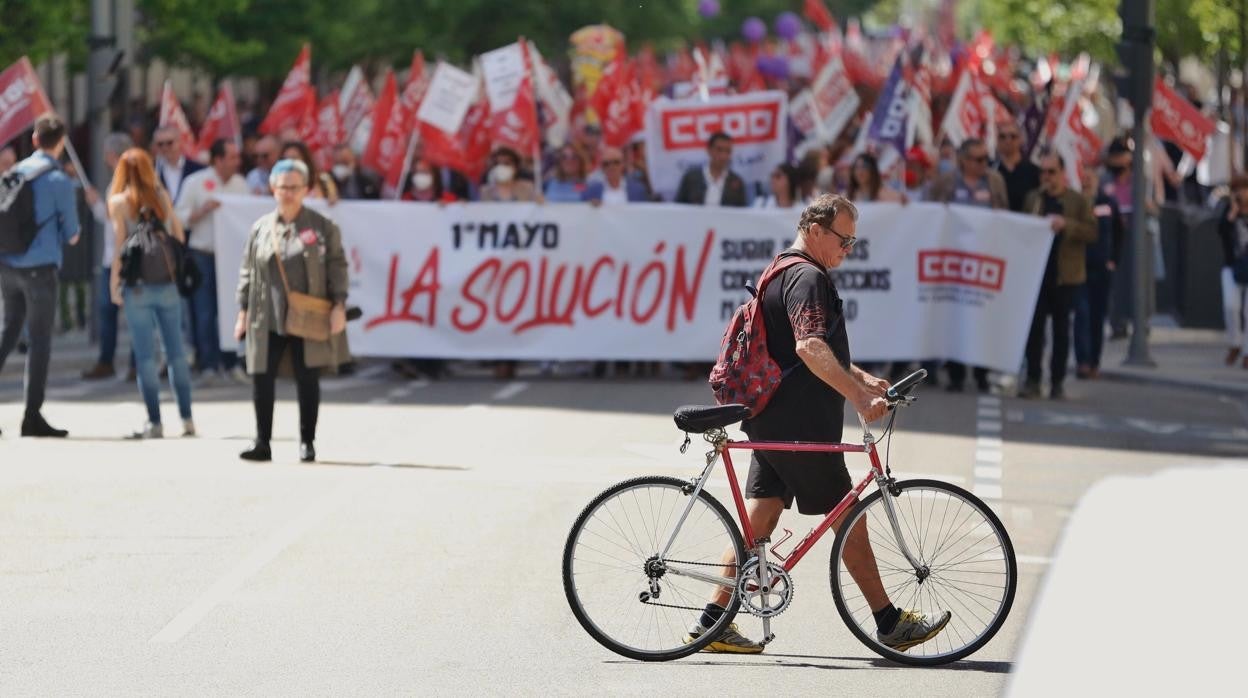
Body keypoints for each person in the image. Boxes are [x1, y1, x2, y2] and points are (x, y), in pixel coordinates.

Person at [686, 194, 950, 654]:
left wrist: (863, 379)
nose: (848, 249)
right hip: (798, 424)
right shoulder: (807, 276)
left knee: (762, 516)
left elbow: (805, 348)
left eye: (853, 241)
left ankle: (712, 622)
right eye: (843, 239)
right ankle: (888, 621)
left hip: (773, 418)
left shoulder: (782, 269)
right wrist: (858, 398)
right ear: (815, 228)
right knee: (847, 514)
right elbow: (809, 349)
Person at [234, 159, 350, 463]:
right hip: (266, 314)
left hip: (307, 314)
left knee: (307, 375)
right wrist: (243, 309)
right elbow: (247, 269)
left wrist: (339, 304)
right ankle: (262, 442)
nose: (287, 193)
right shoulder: (261, 228)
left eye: (293, 188)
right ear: (273, 189)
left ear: (306, 190)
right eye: (282, 187)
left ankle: (307, 442)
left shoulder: (322, 226)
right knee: (261, 374)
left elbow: (337, 265)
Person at [0, 116, 80, 438]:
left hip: (7, 266)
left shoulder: (14, 173)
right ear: (60, 143)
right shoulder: (58, 180)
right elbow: (73, 233)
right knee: (40, 341)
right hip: (40, 269)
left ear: (34, 139)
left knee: (7, 335)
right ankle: (32, 416)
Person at [107, 147, 195, 438]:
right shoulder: (162, 198)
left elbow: (120, 246)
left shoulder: (118, 202)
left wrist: (114, 284)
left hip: (138, 287)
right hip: (167, 284)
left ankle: (155, 422)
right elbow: (179, 237)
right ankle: (187, 419)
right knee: (176, 353)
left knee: (145, 357)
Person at [926, 138, 1008, 392]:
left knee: (981, 317)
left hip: (983, 260)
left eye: (986, 159)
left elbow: (1003, 214)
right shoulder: (946, 182)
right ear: (964, 160)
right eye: (978, 159)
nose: (984, 164)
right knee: (955, 318)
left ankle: (982, 373)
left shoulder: (994, 182)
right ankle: (956, 374)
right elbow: (930, 213)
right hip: (954, 262)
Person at [1020, 152, 1097, 400]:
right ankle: (1033, 379)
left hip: (1065, 276)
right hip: (1036, 277)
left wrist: (1067, 225)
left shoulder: (1077, 201)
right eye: (1043, 172)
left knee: (1062, 331)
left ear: (1063, 173)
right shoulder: (1034, 199)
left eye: (1052, 172)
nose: (1047, 177)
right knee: (1035, 332)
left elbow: (1092, 232)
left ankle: (1057, 382)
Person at [175, 138, 248, 382]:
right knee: (204, 312)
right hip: (202, 255)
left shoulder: (240, 184)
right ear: (218, 160)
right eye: (232, 157)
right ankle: (208, 364)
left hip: (231, 258)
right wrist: (202, 211)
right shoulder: (195, 183)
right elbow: (179, 217)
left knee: (231, 311)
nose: (237, 162)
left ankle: (232, 361)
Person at [82, 132, 135, 380]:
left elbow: (121, 218)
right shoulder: (116, 179)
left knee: (134, 311)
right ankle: (107, 359)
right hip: (110, 258)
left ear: (113, 154)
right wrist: (96, 205)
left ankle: (136, 363)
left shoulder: (131, 181)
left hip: (127, 258)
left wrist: (97, 205)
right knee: (107, 310)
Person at [1073, 167, 1125, 379]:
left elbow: (1118, 233)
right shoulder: (1075, 202)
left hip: (1101, 268)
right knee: (1082, 315)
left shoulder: (1107, 202)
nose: (1086, 181)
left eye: (1089, 178)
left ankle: (1094, 361)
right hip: (1079, 267)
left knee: (1097, 316)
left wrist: (1113, 260)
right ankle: (1082, 361)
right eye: (1083, 178)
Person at [1218, 174, 1248, 368]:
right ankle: (1235, 343)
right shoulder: (1229, 210)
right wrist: (1232, 214)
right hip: (1232, 265)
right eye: (1236, 189)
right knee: (1231, 306)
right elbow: (1221, 232)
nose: (1241, 193)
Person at [674, 132, 749, 207]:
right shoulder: (691, 178)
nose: (723, 156)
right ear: (709, 150)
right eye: (719, 150)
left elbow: (741, 212)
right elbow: (678, 207)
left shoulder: (736, 182)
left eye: (728, 151)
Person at [995, 121, 1041, 213]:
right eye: (1002, 136)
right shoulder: (990, 168)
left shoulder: (1034, 171)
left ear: (1021, 140)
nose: (1008, 141)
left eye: (1013, 136)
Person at [152, 126, 205, 204]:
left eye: (169, 143)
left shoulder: (199, 169)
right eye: (160, 144)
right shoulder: (151, 170)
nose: (165, 147)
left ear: (180, 142)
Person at [582, 147, 649, 204]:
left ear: (623, 164)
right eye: (606, 164)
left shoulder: (638, 189)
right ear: (602, 167)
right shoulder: (592, 191)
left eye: (616, 162)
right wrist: (590, 206)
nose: (611, 167)